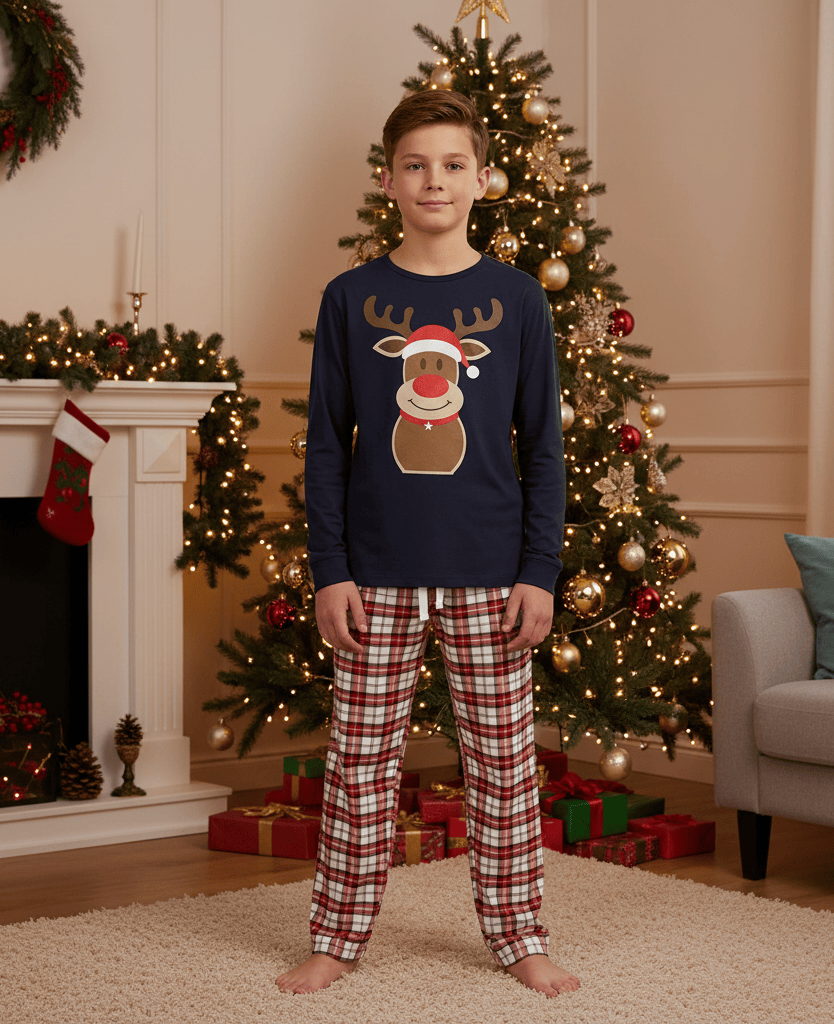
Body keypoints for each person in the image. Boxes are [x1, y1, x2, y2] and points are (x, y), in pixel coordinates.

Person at [275, 89, 578, 998]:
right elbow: (327, 444)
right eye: (415, 164)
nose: (433, 180)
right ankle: (337, 936)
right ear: (387, 179)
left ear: (484, 178)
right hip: (376, 575)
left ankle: (518, 934)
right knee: (359, 769)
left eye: (452, 165)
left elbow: (546, 448)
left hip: (493, 577)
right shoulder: (352, 297)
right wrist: (331, 570)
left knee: (503, 770)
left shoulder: (518, 301)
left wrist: (539, 572)